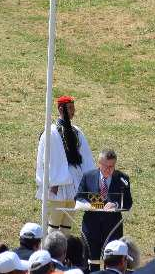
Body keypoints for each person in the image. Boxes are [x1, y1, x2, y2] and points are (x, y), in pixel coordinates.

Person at [37, 96, 96, 234]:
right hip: (59, 178)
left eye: (73, 108)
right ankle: (50, 246)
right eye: (70, 108)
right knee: (56, 217)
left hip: (74, 178)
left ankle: (64, 247)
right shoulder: (51, 131)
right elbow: (47, 157)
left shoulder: (77, 131)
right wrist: (52, 180)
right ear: (61, 109)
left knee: (69, 217)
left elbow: (85, 155)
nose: (73, 111)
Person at [76, 150, 133, 268]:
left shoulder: (122, 178)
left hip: (113, 228)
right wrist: (91, 205)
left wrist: (116, 205)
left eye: (112, 166)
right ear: (99, 163)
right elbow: (79, 197)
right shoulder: (88, 176)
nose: (108, 169)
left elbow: (128, 202)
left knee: (113, 264)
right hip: (91, 227)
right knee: (91, 263)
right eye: (105, 166)